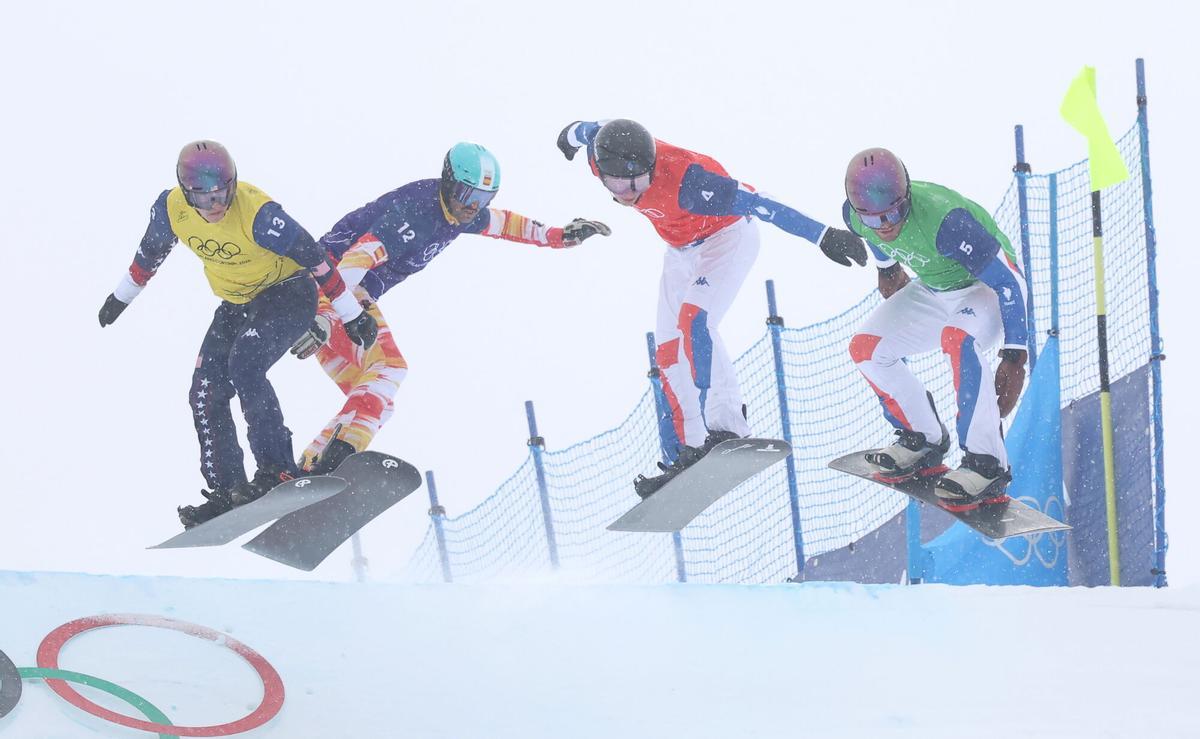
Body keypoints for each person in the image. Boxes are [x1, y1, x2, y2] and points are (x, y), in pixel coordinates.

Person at [555, 119, 868, 497]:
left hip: (726, 236)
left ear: (650, 168)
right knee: (668, 350)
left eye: (635, 184)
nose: (626, 194)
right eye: (615, 185)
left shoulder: (691, 182)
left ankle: (727, 425)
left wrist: (822, 235)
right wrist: (568, 138)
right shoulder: (601, 155)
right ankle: (689, 449)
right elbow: (582, 130)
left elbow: (760, 204)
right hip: (680, 249)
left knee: (695, 321)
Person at [98, 140, 378, 528]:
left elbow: (313, 256)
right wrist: (120, 297)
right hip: (236, 303)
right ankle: (228, 489)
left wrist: (350, 314)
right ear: (185, 190)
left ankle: (277, 470)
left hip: (288, 294)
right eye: (203, 197)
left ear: (233, 183)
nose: (214, 206)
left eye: (221, 195)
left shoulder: (259, 214)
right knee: (204, 390)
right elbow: (150, 253)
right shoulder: (172, 210)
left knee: (244, 364)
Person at [289, 142, 611, 475]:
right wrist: (326, 317)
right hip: (327, 292)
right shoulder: (417, 213)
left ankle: (311, 467)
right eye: (466, 194)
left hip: (340, 301)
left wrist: (559, 236)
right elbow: (356, 260)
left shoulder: (457, 213)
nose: (474, 207)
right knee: (390, 370)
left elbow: (505, 224)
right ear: (447, 181)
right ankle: (335, 461)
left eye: (484, 199)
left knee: (377, 400)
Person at [842, 147, 1028, 507]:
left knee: (957, 340)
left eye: (894, 213)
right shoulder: (856, 216)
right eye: (874, 219)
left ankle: (986, 464)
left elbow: (1010, 283)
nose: (886, 226)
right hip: (935, 288)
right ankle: (921, 438)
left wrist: (1014, 356)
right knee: (865, 348)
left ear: (906, 195)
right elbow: (875, 237)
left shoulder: (947, 222)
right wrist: (887, 268)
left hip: (984, 289)